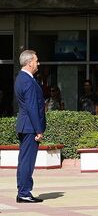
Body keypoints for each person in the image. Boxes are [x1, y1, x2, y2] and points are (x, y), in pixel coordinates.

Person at [15, 50, 46, 203]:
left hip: (25, 125)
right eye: (36, 60)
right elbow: (32, 107)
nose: (38, 63)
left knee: (24, 160)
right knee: (27, 161)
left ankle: (23, 191)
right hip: (30, 127)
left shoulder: (21, 78)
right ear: (29, 62)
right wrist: (38, 130)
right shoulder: (27, 81)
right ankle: (24, 193)